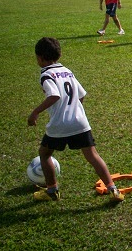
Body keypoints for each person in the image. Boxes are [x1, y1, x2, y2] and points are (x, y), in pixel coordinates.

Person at [27, 37, 124, 202]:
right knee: (92, 155)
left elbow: (54, 95)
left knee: (44, 153)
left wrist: (35, 112)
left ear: (40, 57)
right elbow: (82, 95)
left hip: (59, 124)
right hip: (80, 122)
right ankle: (113, 189)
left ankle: (52, 190)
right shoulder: (67, 70)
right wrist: (74, 111)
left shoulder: (46, 74)